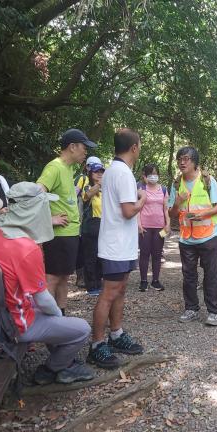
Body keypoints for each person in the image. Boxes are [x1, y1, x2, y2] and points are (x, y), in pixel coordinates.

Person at [0, 182, 93, 385]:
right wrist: (57, 318)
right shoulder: (25, 247)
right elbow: (43, 300)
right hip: (11, 325)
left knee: (46, 311)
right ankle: (55, 367)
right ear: (35, 210)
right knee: (80, 329)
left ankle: (63, 362)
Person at [87, 128, 146, 369]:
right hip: (115, 246)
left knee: (120, 290)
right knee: (109, 292)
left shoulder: (114, 171)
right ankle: (97, 345)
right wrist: (143, 198)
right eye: (139, 145)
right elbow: (128, 210)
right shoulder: (122, 174)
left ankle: (116, 333)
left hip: (122, 244)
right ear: (134, 147)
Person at [37, 129, 97, 314]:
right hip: (58, 236)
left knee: (64, 278)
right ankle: (45, 321)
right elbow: (35, 195)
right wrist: (49, 219)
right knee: (53, 278)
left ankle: (60, 316)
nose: (86, 152)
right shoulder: (54, 167)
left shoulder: (69, 168)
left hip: (70, 234)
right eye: (83, 147)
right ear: (72, 147)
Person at [168, 147, 217, 326]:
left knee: (211, 274)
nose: (182, 162)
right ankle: (191, 308)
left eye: (186, 159)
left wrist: (204, 215)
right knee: (188, 275)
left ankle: (213, 311)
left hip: (208, 236)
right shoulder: (177, 184)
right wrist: (177, 202)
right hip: (186, 238)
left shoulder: (207, 180)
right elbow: (172, 213)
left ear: (194, 162)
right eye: (179, 159)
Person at [137, 163, 170, 292]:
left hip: (159, 227)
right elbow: (137, 208)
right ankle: (143, 281)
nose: (153, 176)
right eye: (150, 174)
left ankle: (155, 281)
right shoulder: (140, 188)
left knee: (157, 254)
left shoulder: (163, 189)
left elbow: (166, 208)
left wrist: (167, 223)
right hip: (145, 226)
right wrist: (139, 225)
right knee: (144, 254)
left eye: (155, 173)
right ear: (144, 175)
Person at [77, 162, 105, 296]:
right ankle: (91, 286)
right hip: (90, 225)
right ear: (90, 173)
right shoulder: (88, 186)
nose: (99, 174)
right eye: (96, 171)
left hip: (104, 226)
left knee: (101, 256)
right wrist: (99, 184)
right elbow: (86, 196)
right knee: (90, 257)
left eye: (101, 171)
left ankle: (99, 283)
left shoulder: (106, 188)